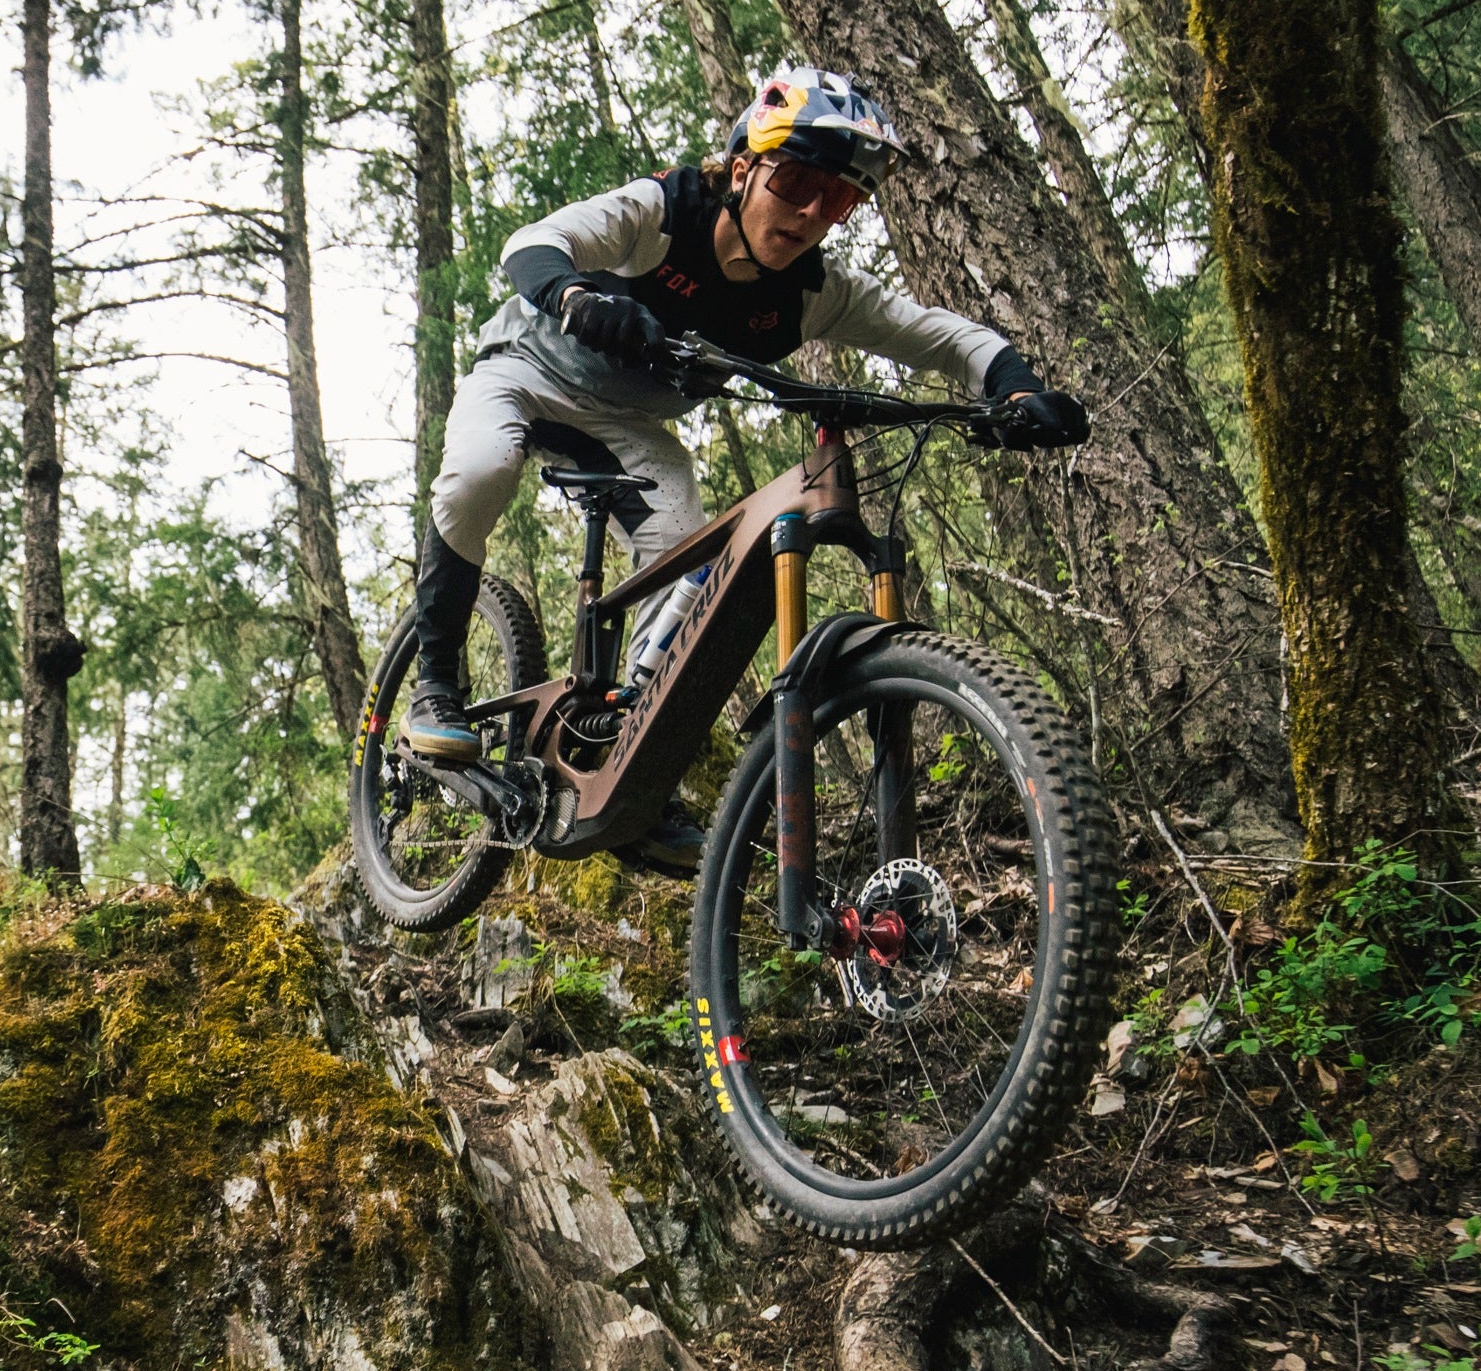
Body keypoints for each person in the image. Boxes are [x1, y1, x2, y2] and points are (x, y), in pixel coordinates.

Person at [402, 65, 1088, 872]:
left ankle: (625, 772)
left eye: (836, 201)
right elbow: (534, 246)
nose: (807, 213)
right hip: (523, 370)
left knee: (689, 560)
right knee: (481, 469)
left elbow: (935, 333)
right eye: (794, 181)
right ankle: (434, 684)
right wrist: (581, 298)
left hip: (627, 429)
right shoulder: (664, 212)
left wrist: (1014, 385)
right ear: (740, 168)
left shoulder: (807, 293)